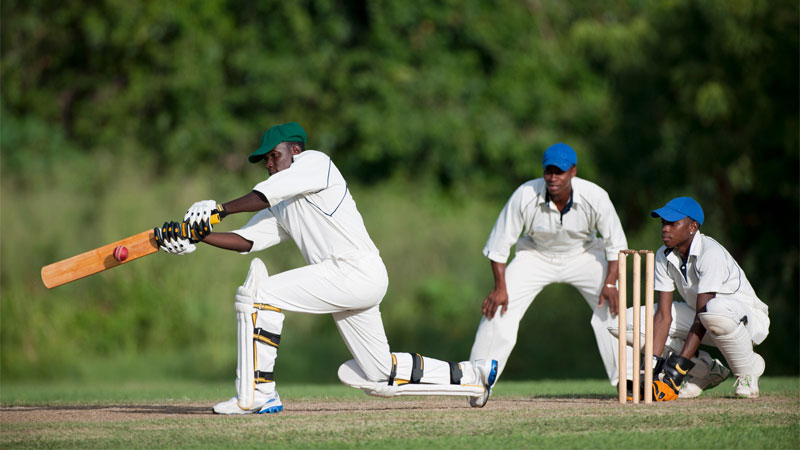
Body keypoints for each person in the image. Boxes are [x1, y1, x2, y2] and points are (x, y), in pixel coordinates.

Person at [154, 122, 497, 414]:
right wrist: (199, 235)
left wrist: (218, 209)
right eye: (265, 161)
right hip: (351, 280)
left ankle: (258, 393)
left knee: (259, 295)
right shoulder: (284, 204)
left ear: (296, 151)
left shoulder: (317, 163)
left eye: (274, 156)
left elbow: (263, 195)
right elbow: (247, 241)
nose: (270, 165)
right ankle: (474, 375)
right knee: (378, 375)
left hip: (354, 270)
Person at [469, 142, 629, 393]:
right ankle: (477, 382)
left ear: (573, 172)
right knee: (500, 308)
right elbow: (500, 243)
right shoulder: (525, 194)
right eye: (548, 171)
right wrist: (500, 287)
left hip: (584, 254)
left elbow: (616, 244)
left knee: (615, 305)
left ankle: (629, 380)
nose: (553, 178)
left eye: (559, 171)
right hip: (535, 255)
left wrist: (610, 283)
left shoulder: (595, 196)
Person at [640, 197, 768, 400]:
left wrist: (677, 369)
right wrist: (649, 368)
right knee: (633, 322)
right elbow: (663, 317)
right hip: (703, 317)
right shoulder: (663, 255)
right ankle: (705, 372)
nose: (665, 228)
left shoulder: (710, 253)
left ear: (693, 227)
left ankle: (748, 370)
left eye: (672, 223)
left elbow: (703, 315)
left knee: (713, 309)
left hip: (744, 320)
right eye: (663, 223)